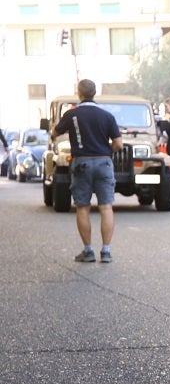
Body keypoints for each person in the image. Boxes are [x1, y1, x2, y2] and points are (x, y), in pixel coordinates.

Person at [54, 78, 124, 263]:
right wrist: (106, 152)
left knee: (82, 207)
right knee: (106, 207)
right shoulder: (107, 116)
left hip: (81, 163)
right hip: (104, 163)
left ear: (79, 93)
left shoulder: (72, 115)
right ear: (94, 93)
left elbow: (55, 133)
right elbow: (119, 144)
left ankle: (88, 250)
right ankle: (106, 251)